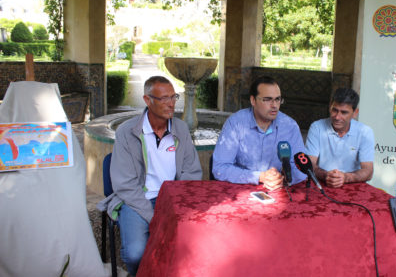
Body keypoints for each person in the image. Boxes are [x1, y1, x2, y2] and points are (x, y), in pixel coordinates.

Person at [97, 76, 202, 276]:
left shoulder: (180, 129)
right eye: (163, 99)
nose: (171, 104)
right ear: (147, 100)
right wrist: (154, 217)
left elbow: (192, 171)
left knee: (191, 247)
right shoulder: (127, 132)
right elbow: (125, 184)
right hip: (138, 199)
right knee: (136, 254)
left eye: (173, 97)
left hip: (173, 200)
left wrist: (176, 206)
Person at [212, 76, 307, 191]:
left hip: (278, 190)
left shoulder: (290, 126)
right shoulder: (236, 123)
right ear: (253, 100)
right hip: (240, 191)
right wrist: (260, 177)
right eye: (267, 99)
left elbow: (301, 169)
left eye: (278, 99)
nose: (274, 105)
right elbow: (220, 168)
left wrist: (282, 177)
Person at [305, 88, 374, 188]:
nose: (337, 117)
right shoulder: (317, 127)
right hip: (323, 184)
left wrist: (345, 177)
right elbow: (309, 164)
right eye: (335, 110)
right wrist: (327, 175)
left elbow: (368, 171)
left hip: (354, 188)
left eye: (344, 112)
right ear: (330, 107)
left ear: (355, 113)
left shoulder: (365, 132)